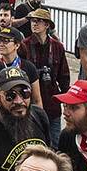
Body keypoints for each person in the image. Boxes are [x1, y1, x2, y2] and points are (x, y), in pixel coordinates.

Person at [19, 8, 69, 147]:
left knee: (54, 143)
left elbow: (64, 76)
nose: (34, 24)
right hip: (31, 103)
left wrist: (66, 100)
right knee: (33, 143)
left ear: (47, 25)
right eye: (32, 21)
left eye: (38, 21)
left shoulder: (58, 47)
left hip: (52, 103)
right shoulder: (24, 46)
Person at [0, 26, 42, 107]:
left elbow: (36, 100)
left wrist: (40, 118)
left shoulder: (29, 67)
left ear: (17, 45)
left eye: (6, 41)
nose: (1, 44)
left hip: (23, 112)